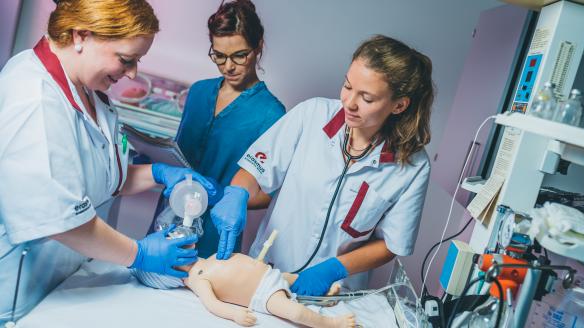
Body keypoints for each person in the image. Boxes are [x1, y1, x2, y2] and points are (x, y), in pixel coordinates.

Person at [0, 0, 220, 321]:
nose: (132, 73)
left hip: (66, 280)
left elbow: (100, 178)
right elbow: (62, 220)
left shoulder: (92, 94)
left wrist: (159, 173)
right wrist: (139, 253)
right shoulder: (35, 99)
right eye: (126, 60)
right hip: (20, 295)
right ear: (80, 36)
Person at [211, 35, 434, 296]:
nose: (349, 102)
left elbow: (390, 244)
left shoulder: (413, 167)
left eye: (367, 98)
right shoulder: (311, 115)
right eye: (348, 86)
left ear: (399, 105)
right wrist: (237, 193)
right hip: (266, 273)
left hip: (334, 292)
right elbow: (254, 172)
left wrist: (333, 269)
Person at [151, 0, 285, 259]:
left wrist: (224, 196)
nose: (229, 66)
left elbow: (270, 195)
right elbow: (179, 153)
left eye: (239, 55)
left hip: (216, 228)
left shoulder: (271, 114)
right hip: (169, 213)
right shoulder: (199, 91)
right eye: (219, 55)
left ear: (259, 47)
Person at [132, 253, 355, 328]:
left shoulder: (201, 259)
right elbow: (213, 304)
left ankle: (322, 296)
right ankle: (331, 324)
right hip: (261, 294)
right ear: (167, 273)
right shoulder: (195, 280)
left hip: (270, 275)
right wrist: (235, 315)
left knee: (298, 281)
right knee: (295, 313)